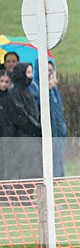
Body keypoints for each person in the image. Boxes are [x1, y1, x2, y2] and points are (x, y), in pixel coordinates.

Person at [5, 63, 42, 203]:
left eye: (31, 73)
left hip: (31, 137)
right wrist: (36, 128)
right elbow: (21, 116)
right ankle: (20, 195)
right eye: (28, 73)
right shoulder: (14, 92)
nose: (30, 76)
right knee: (22, 167)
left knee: (32, 167)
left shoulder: (28, 92)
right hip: (21, 138)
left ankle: (27, 194)